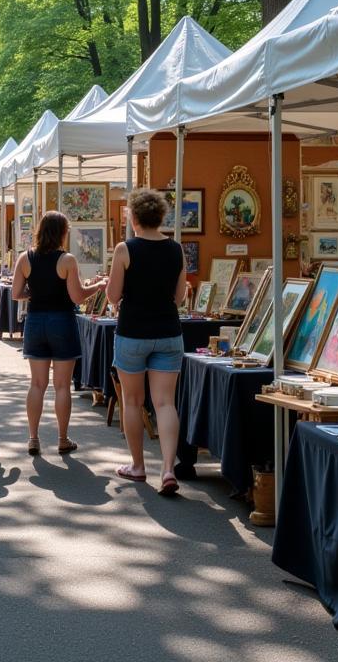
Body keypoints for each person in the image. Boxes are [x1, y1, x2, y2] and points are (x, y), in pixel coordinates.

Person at [104, 188, 188, 496]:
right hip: (168, 331)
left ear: (134, 217)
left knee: (133, 401)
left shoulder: (125, 249)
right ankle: (168, 468)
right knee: (165, 402)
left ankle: (138, 466)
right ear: (160, 216)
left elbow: (113, 295)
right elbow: (179, 297)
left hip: (133, 333)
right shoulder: (176, 249)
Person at [12, 211, 107, 456]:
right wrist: (97, 286)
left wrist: (34, 294)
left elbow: (15, 294)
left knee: (37, 384)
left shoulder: (26, 258)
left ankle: (33, 437)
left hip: (35, 321)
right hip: (62, 321)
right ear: (62, 232)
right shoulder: (67, 260)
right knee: (62, 385)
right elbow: (77, 296)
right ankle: (62, 438)